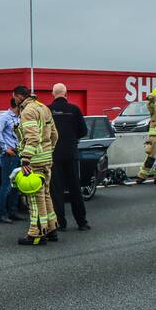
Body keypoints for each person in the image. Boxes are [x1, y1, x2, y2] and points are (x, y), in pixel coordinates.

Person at [13, 85, 58, 244]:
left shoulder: (28, 112)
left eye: (14, 97)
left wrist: (26, 158)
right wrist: (48, 151)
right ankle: (51, 228)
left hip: (34, 161)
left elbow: (32, 138)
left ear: (18, 97)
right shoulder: (44, 108)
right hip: (46, 158)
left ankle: (36, 234)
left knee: (34, 197)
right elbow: (54, 135)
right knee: (46, 194)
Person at [49, 83, 90, 231]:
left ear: (53, 94)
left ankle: (60, 223)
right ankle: (82, 222)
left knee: (56, 191)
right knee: (75, 189)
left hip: (53, 155)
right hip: (71, 154)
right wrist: (72, 138)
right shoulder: (75, 110)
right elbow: (83, 131)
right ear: (66, 94)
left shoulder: (47, 110)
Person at [0, 99, 23, 224]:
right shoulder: (4, 117)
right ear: (17, 105)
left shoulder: (20, 117)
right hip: (9, 156)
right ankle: (1, 214)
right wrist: (5, 148)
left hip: (19, 154)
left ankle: (13, 211)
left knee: (16, 185)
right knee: (6, 186)